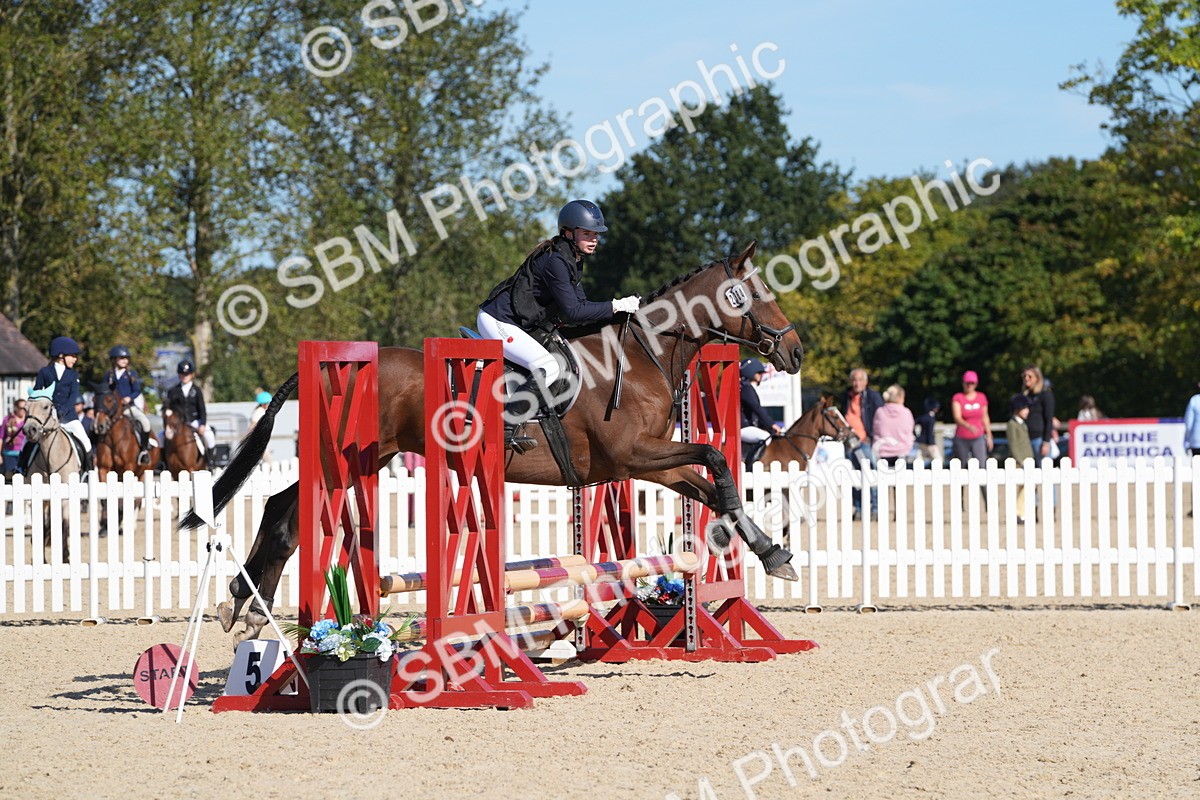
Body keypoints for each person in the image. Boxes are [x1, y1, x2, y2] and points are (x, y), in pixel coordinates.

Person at [478, 200, 639, 452]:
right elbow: (573, 311)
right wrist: (615, 306)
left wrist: (614, 314)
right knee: (547, 366)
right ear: (568, 233)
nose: (594, 239)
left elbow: (582, 305)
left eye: (596, 234)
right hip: (499, 321)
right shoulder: (556, 261)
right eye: (587, 233)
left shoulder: (572, 258)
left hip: (520, 323)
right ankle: (506, 426)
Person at [20, 336, 93, 472]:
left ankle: (89, 471)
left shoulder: (73, 375)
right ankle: (21, 467)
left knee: (86, 441)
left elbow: (73, 396)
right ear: (61, 355)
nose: (75, 359)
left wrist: (63, 410)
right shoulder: (44, 372)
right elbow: (36, 392)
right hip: (47, 418)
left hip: (69, 417)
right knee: (27, 441)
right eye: (72, 356)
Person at [101, 345, 157, 464]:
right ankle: (96, 450)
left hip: (128, 407)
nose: (124, 360)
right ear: (115, 359)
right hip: (112, 410)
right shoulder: (109, 375)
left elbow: (137, 390)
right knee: (97, 425)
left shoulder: (131, 373)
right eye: (121, 358)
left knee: (145, 423)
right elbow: (104, 390)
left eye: (126, 358)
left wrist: (128, 398)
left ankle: (144, 450)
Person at [840, 368, 882, 519]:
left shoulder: (873, 397)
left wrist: (872, 437)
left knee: (872, 474)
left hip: (865, 441)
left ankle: (875, 508)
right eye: (854, 380)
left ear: (866, 381)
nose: (856, 383)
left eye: (859, 380)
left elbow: (879, 418)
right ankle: (858, 508)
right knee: (854, 476)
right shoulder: (846, 396)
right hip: (849, 443)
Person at [739, 358, 785, 466]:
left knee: (767, 435)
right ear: (751, 373)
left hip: (747, 427)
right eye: (759, 373)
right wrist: (772, 424)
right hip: (742, 427)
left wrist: (769, 427)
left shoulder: (748, 388)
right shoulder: (746, 388)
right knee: (764, 437)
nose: (761, 376)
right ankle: (750, 465)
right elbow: (756, 408)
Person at [164, 360, 215, 451]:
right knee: (160, 437)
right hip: (178, 424)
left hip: (194, 421)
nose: (184, 376)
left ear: (191, 374)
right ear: (179, 374)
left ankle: (211, 463)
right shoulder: (172, 391)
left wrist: (202, 424)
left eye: (186, 374)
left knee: (209, 436)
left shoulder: (197, 390)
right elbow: (168, 408)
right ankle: (162, 463)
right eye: (182, 374)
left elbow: (202, 409)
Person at [951, 370, 992, 462]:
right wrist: (968, 426)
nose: (969, 385)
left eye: (972, 383)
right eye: (967, 383)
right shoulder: (958, 397)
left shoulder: (981, 397)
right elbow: (957, 417)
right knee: (960, 464)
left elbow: (985, 417)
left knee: (981, 463)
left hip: (978, 436)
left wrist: (989, 435)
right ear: (963, 383)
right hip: (962, 437)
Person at [1007, 393, 1035, 522]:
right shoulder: (1012, 425)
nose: (1027, 411)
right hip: (1020, 461)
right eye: (1025, 408)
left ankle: (1021, 511)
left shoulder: (1023, 424)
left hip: (1027, 459)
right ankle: (1018, 512)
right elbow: (1014, 444)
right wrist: (1020, 460)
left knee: (1028, 487)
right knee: (1022, 486)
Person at [872, 384, 915, 466]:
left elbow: (875, 430)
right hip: (902, 452)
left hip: (882, 452)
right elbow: (910, 431)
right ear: (900, 397)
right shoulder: (906, 412)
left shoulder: (880, 412)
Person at [1021, 365, 1056, 462]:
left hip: (1039, 439)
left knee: (1043, 471)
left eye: (1029, 376)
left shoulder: (1046, 394)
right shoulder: (1025, 396)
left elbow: (1048, 419)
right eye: (1024, 376)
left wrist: (1046, 442)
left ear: (1037, 378)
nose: (1026, 379)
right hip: (1026, 438)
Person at [2, 399, 27, 476]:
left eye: (25, 408)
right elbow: (1, 436)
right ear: (16, 408)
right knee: (10, 476)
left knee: (23, 476)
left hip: (23, 454)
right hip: (9, 453)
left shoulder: (28, 420)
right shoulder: (8, 419)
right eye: (21, 408)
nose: (23, 410)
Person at [1187, 380, 1200, 517]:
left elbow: (1189, 423)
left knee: (1197, 475)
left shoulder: (1195, 401)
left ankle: (1196, 507)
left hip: (1197, 442)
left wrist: (1186, 441)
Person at [915, 397, 941, 464]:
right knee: (938, 459)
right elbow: (929, 431)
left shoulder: (922, 417)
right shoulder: (931, 418)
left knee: (919, 459)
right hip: (928, 442)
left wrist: (916, 435)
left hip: (920, 441)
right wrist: (931, 443)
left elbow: (913, 424)